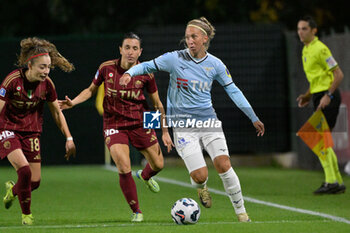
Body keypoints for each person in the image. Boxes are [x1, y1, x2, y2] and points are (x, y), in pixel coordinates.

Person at [120, 17, 265, 222]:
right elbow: (147, 66)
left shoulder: (215, 64)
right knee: (200, 175)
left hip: (208, 122)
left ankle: (242, 213)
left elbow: (233, 90)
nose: (189, 40)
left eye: (194, 36)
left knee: (224, 164)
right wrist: (130, 73)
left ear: (204, 38)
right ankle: (201, 187)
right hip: (183, 126)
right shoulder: (174, 59)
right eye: (187, 37)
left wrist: (253, 117)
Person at [59, 32, 173, 222]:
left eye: (135, 48)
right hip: (114, 123)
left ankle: (144, 176)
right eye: (127, 47)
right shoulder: (106, 68)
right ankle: (137, 211)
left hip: (141, 121)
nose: (130, 52)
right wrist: (74, 103)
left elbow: (156, 103)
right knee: (123, 164)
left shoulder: (146, 73)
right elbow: (90, 90)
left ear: (140, 52)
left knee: (159, 165)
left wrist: (165, 132)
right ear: (120, 49)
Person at [0, 37, 76, 225]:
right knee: (24, 171)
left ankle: (13, 190)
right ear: (30, 65)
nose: (46, 71)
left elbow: (57, 114)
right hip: (8, 129)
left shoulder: (48, 85)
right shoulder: (12, 81)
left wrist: (69, 137)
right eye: (42, 67)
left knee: (34, 182)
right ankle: (27, 215)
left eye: (48, 67)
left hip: (31, 132)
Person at [296, 15, 346, 194]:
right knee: (321, 139)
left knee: (316, 136)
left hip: (328, 98)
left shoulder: (321, 49)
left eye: (304, 29)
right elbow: (317, 78)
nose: (300, 32)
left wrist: (328, 95)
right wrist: (308, 95)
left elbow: (338, 74)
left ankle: (332, 181)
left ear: (313, 30)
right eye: (299, 29)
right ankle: (336, 182)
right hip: (318, 96)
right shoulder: (306, 50)